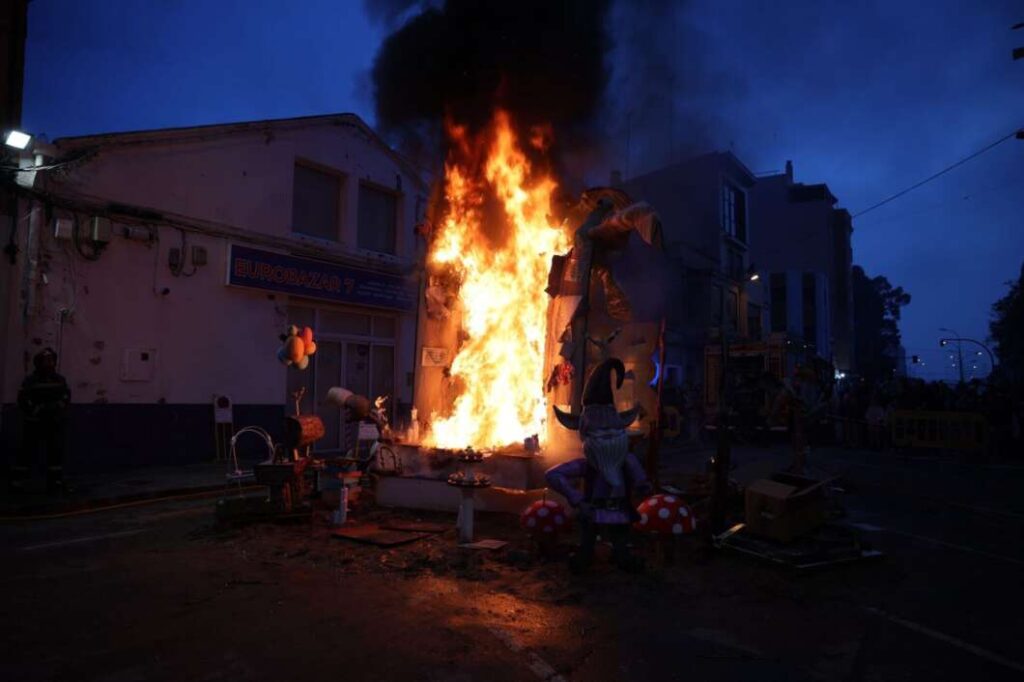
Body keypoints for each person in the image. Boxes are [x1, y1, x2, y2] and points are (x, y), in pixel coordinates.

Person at [546, 358, 652, 573]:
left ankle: (622, 557)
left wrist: (642, 486)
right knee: (588, 538)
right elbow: (553, 475)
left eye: (613, 432)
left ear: (622, 430)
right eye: (598, 433)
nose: (606, 438)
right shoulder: (588, 465)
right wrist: (576, 498)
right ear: (586, 436)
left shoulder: (625, 459)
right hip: (593, 509)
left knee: (621, 540)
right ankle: (586, 557)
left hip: (619, 508)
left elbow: (640, 479)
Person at [13, 348, 71, 493]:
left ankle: (55, 482)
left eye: (51, 360)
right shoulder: (30, 381)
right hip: (34, 423)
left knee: (55, 452)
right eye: (46, 361)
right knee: (26, 452)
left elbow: (65, 397)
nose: (49, 363)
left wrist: (54, 408)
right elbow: (23, 399)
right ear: (38, 362)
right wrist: (37, 410)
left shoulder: (59, 380)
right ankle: (19, 482)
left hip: (53, 423)